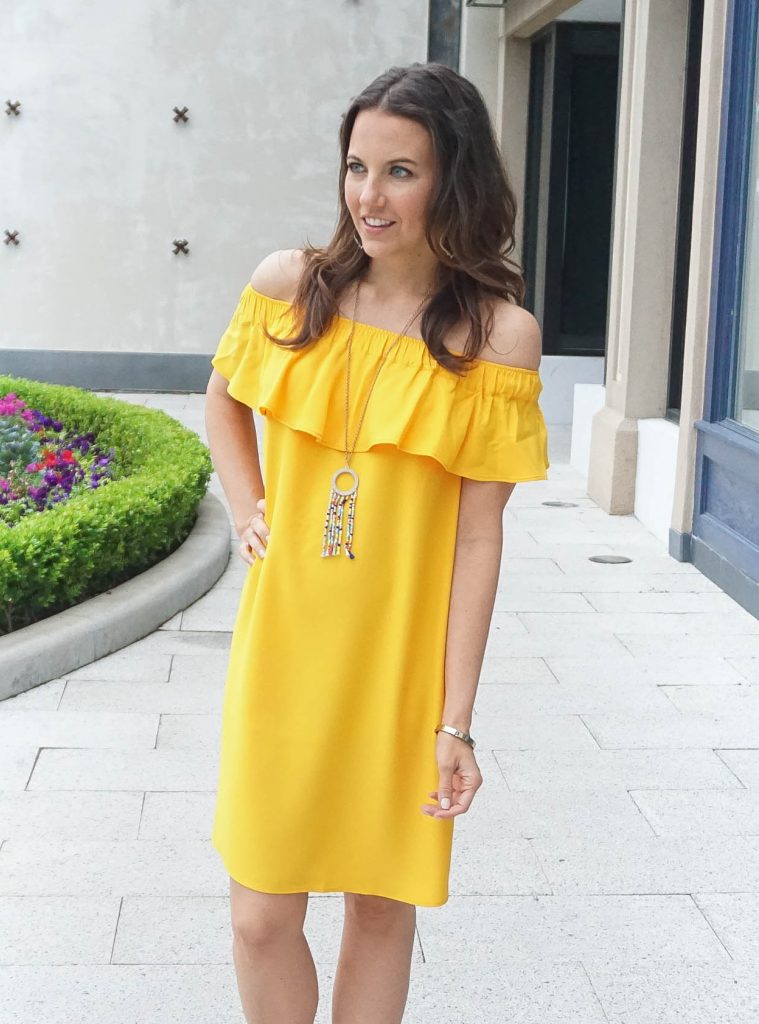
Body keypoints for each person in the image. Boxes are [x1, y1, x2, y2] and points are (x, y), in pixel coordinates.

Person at [204, 61, 548, 1024]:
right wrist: (248, 507)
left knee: (377, 907)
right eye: (358, 166)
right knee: (260, 914)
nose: (369, 195)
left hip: (400, 666)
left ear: (455, 180)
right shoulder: (291, 287)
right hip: (285, 651)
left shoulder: (497, 337)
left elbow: (478, 540)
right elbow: (223, 402)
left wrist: (456, 720)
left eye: (400, 171)